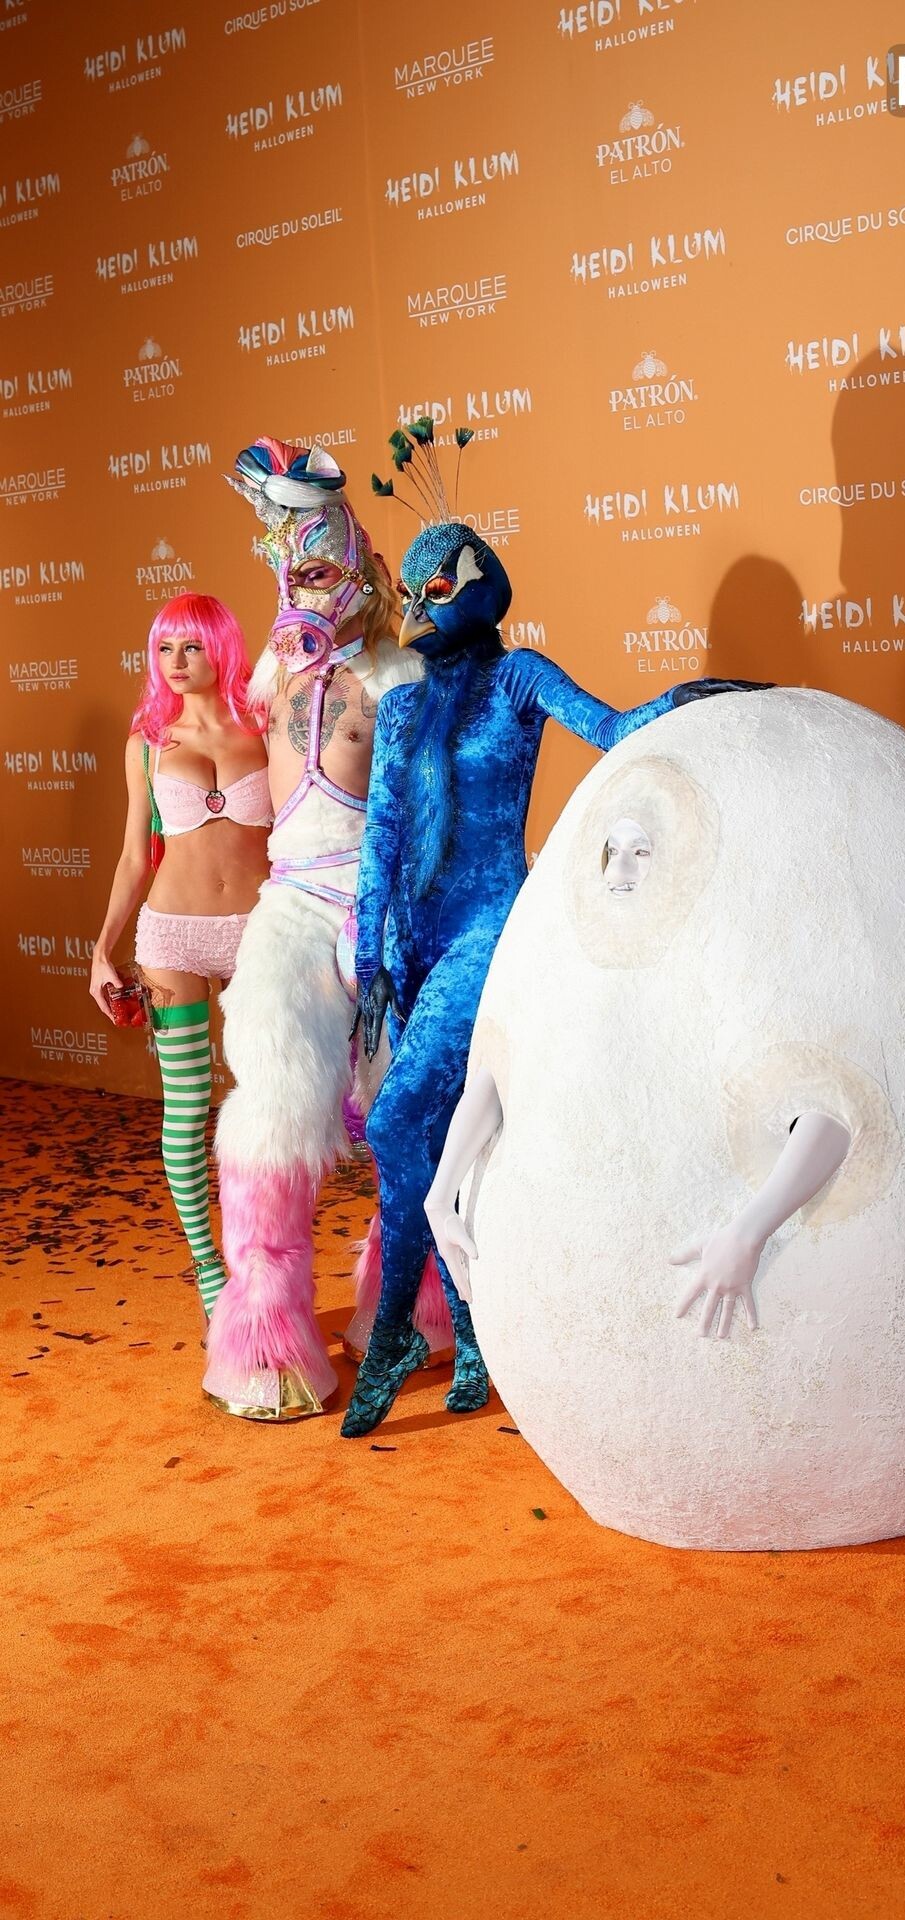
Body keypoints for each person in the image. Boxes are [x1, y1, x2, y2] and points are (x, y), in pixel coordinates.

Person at [342, 420, 765, 1436]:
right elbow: (379, 845)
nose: (417, 610)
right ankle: (478, 1337)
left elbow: (612, 731)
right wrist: (370, 961)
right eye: (410, 594)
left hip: (491, 930)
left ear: (480, 585)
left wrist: (688, 700)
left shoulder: (519, 677)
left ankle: (394, 1333)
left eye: (437, 589)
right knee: (445, 1134)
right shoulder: (398, 711)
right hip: (412, 949)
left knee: (399, 1124)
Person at [202, 440, 430, 1422]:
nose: (305, 587)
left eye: (322, 568)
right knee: (272, 1098)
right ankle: (265, 1337)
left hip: (378, 905)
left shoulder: (399, 677)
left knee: (404, 1111)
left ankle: (409, 1307)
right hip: (292, 901)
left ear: (360, 568)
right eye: (292, 570)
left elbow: (428, 811)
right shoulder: (270, 675)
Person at [90, 593, 270, 1322]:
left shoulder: (267, 725)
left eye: (192, 646)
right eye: (165, 648)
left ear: (221, 648)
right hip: (172, 935)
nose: (176, 662)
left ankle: (263, 1258)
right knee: (188, 1107)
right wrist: (102, 950)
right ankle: (207, 1264)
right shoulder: (147, 743)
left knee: (268, 1106)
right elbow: (135, 856)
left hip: (261, 933)